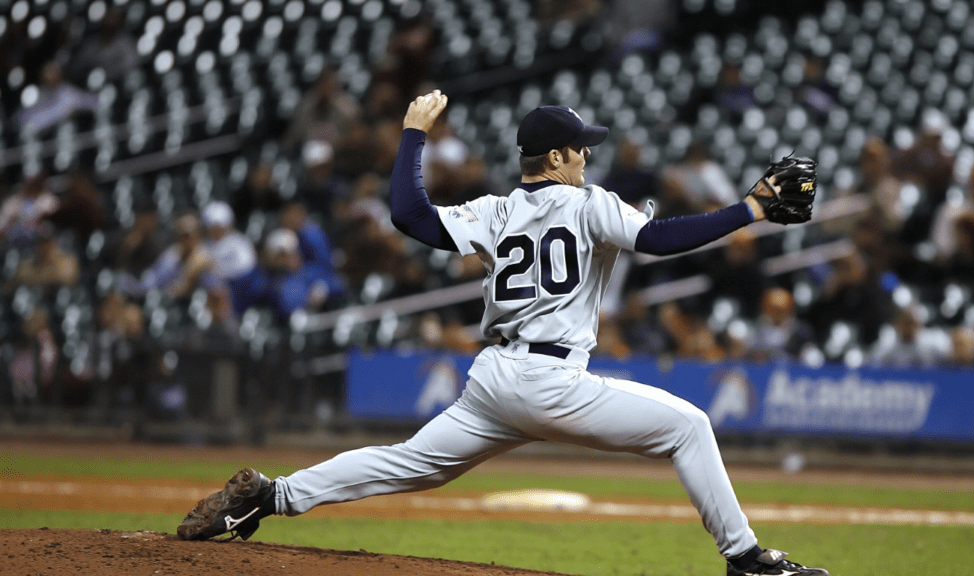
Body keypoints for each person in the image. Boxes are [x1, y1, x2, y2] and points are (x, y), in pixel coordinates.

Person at [178, 92, 828, 576]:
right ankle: (745, 557)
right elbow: (657, 240)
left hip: (493, 381)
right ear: (557, 156)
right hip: (551, 380)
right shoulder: (586, 201)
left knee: (411, 463)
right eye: (581, 149)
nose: (586, 158)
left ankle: (271, 496)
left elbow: (408, 213)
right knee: (689, 427)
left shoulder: (494, 209)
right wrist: (751, 209)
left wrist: (412, 135)